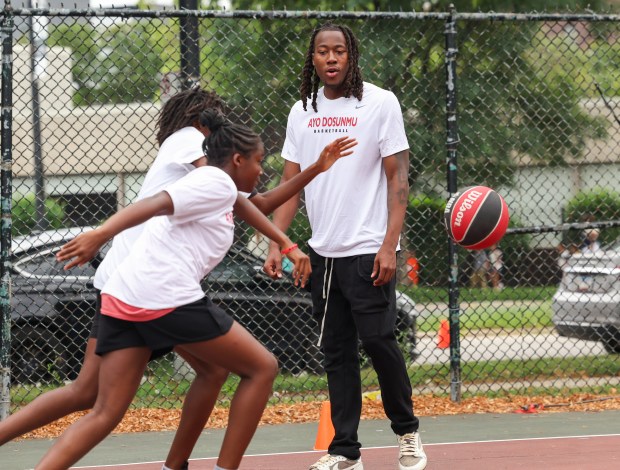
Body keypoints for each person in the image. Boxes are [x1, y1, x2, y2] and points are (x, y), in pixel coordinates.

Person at [0, 87, 356, 470]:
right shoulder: (193, 147)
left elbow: (253, 202)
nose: (219, 129)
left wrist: (310, 183)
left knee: (102, 401)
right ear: (205, 125)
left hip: (127, 288)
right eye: (257, 160)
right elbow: (187, 199)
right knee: (260, 367)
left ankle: (175, 465)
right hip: (156, 286)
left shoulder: (214, 178)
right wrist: (99, 233)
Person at [263, 22, 427, 470]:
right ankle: (345, 451)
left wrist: (389, 245)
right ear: (312, 59)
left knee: (378, 341)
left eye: (339, 51)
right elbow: (290, 184)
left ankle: (407, 432)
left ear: (351, 56)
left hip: (368, 247)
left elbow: (398, 178)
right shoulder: (302, 110)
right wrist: (278, 242)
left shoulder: (380, 102)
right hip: (322, 253)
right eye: (322, 51)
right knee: (336, 352)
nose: (331, 59)